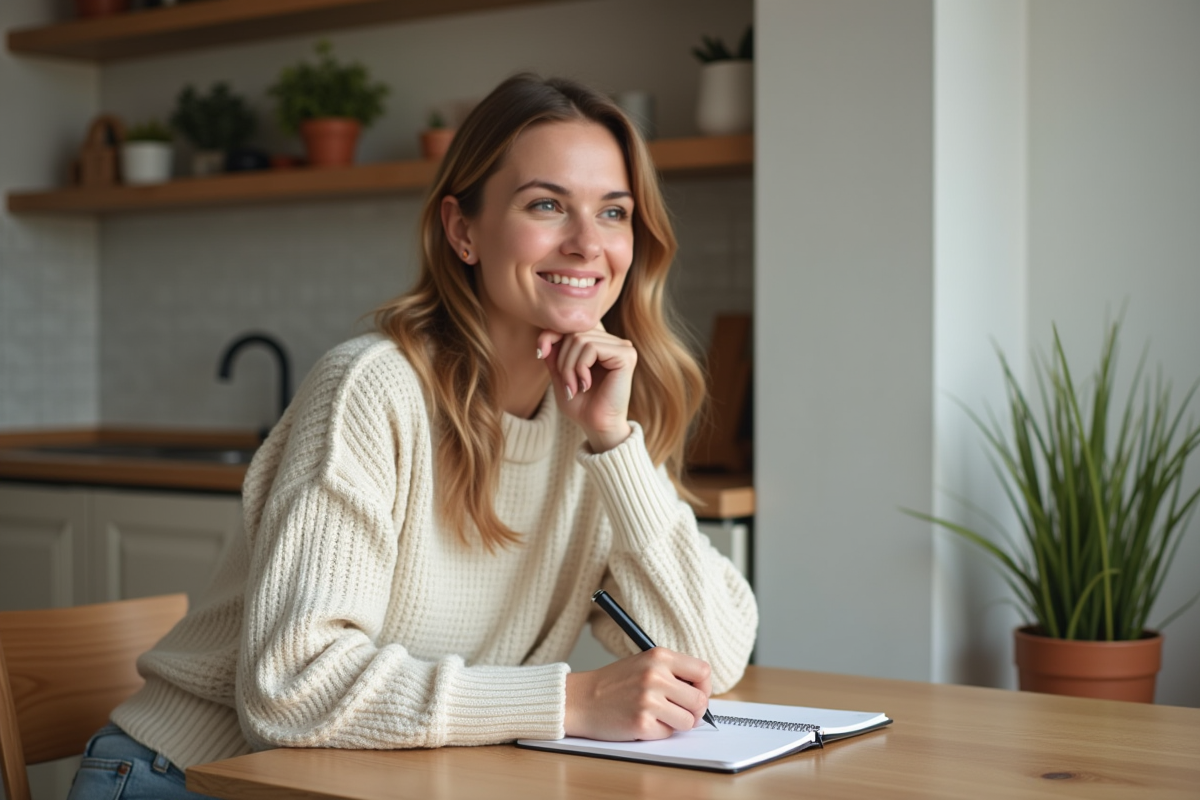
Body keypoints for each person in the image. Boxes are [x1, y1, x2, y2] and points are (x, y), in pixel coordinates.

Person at [66, 73, 758, 800]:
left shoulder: (595, 420)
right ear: (462, 230)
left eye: (613, 212)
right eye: (547, 205)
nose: (588, 243)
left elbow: (712, 656)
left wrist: (616, 447)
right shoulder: (372, 388)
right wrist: (573, 703)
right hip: (188, 781)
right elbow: (291, 693)